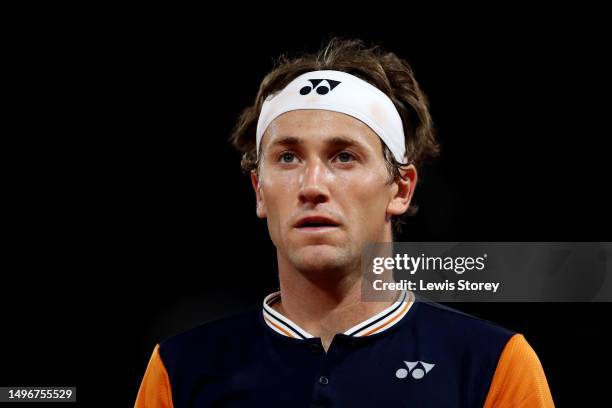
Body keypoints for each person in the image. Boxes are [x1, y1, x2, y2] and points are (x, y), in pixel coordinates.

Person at [135, 38, 554, 407]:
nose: (312, 184)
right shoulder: (179, 369)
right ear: (260, 190)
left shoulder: (492, 364)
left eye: (344, 156)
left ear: (401, 188)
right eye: (287, 157)